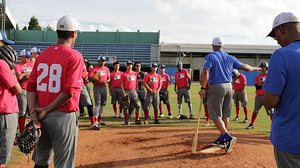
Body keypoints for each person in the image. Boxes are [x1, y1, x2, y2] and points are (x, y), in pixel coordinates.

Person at [26, 15, 84, 167]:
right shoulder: (75, 56)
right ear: (73, 34)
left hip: (40, 115)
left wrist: (34, 114)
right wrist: (47, 109)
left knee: (40, 161)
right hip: (62, 115)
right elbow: (70, 90)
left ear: (57, 32)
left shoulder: (43, 55)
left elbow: (30, 86)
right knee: (63, 163)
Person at [199, 36, 260, 153]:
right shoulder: (230, 57)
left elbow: (206, 72)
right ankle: (224, 139)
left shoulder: (211, 56)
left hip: (217, 87)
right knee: (225, 115)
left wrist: (202, 87)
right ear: (222, 46)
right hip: (229, 87)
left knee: (215, 114)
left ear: (212, 46)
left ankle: (227, 137)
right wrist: (256, 68)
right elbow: (246, 68)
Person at [264, 12, 300, 167]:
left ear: (282, 30)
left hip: (291, 139)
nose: (276, 40)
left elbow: (270, 101)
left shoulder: (281, 55)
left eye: (275, 35)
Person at [0, 31, 22, 168]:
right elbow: (18, 89)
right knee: (2, 156)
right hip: (5, 111)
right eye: (3, 44)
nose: (6, 48)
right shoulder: (2, 64)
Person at [247, 62, 272, 129]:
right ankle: (251, 124)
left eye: (264, 67)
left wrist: (261, 85)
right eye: (261, 67)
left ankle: (274, 126)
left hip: (267, 96)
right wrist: (265, 85)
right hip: (259, 96)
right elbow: (257, 86)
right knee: (255, 111)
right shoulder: (258, 76)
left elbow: (271, 85)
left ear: (266, 68)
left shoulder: (270, 76)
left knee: (271, 112)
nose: (262, 68)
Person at [88, 55, 110, 130]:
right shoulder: (95, 69)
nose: (103, 62)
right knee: (97, 103)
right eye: (101, 61)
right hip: (97, 87)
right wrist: (98, 80)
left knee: (102, 104)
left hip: (104, 87)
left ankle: (99, 120)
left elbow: (109, 79)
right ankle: (95, 121)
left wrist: (105, 81)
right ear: (98, 61)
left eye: (104, 61)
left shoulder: (106, 69)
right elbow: (90, 77)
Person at [15, 49, 33, 133]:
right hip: (22, 90)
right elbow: (19, 77)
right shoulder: (18, 66)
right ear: (22, 57)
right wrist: (26, 75)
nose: (28, 59)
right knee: (22, 111)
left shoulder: (31, 65)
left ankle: (30, 130)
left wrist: (26, 75)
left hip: (31, 90)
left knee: (32, 111)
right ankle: (21, 131)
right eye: (27, 57)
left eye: (29, 57)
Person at [121, 61, 142, 125]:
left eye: (130, 65)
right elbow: (121, 84)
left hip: (133, 91)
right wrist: (124, 92)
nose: (130, 66)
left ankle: (137, 119)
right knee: (126, 106)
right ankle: (126, 120)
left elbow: (136, 82)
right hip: (126, 91)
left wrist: (137, 90)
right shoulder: (123, 74)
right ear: (126, 66)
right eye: (128, 65)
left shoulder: (135, 73)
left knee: (138, 105)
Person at [79, 59, 94, 127]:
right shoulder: (82, 65)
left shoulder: (82, 65)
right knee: (89, 104)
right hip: (80, 85)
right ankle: (93, 123)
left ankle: (93, 122)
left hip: (77, 85)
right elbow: (85, 77)